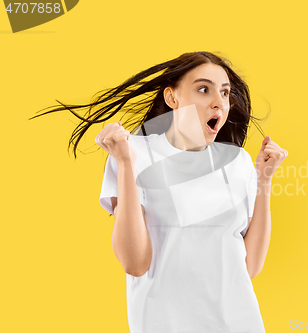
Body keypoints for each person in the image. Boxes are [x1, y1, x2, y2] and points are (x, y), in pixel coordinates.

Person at [30, 51, 288, 332]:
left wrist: (264, 179)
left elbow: (249, 267)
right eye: (204, 89)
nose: (219, 103)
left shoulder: (237, 163)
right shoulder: (134, 152)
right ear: (172, 98)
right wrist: (126, 164)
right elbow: (135, 262)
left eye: (225, 93)